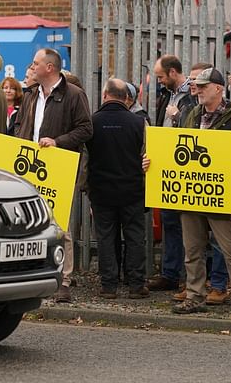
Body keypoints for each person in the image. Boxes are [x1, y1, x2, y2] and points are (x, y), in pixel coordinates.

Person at [170, 68, 231, 318]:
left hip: (218, 193)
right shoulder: (192, 113)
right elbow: (178, 145)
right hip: (192, 193)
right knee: (192, 248)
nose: (197, 89)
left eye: (203, 85)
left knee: (230, 248)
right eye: (196, 85)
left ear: (219, 88)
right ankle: (194, 296)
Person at [15, 48, 93, 303]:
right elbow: (20, 125)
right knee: (27, 221)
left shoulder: (73, 95)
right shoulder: (30, 95)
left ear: (49, 68)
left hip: (59, 166)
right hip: (29, 164)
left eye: (35, 63)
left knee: (60, 225)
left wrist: (58, 142)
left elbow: (85, 129)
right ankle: (32, 273)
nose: (31, 66)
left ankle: (63, 279)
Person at [171, 62, 231, 306]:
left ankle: (218, 285)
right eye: (193, 81)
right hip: (192, 186)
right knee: (193, 243)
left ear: (216, 87)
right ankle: (195, 288)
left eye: (199, 81)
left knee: (220, 241)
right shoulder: (190, 110)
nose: (194, 85)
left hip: (217, 185)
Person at [87, 78, 148, 299]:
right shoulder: (139, 123)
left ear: (105, 95)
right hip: (132, 190)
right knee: (134, 236)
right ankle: (136, 285)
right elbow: (147, 157)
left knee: (105, 237)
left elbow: (85, 159)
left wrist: (88, 188)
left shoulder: (92, 122)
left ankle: (108, 286)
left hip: (101, 191)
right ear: (126, 98)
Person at [147, 54, 198, 292]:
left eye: (160, 77)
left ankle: (190, 277)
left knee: (190, 224)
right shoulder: (168, 94)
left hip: (188, 167)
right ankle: (170, 273)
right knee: (169, 221)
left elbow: (199, 125)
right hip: (169, 167)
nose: (159, 81)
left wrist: (178, 117)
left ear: (173, 73)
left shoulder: (193, 94)